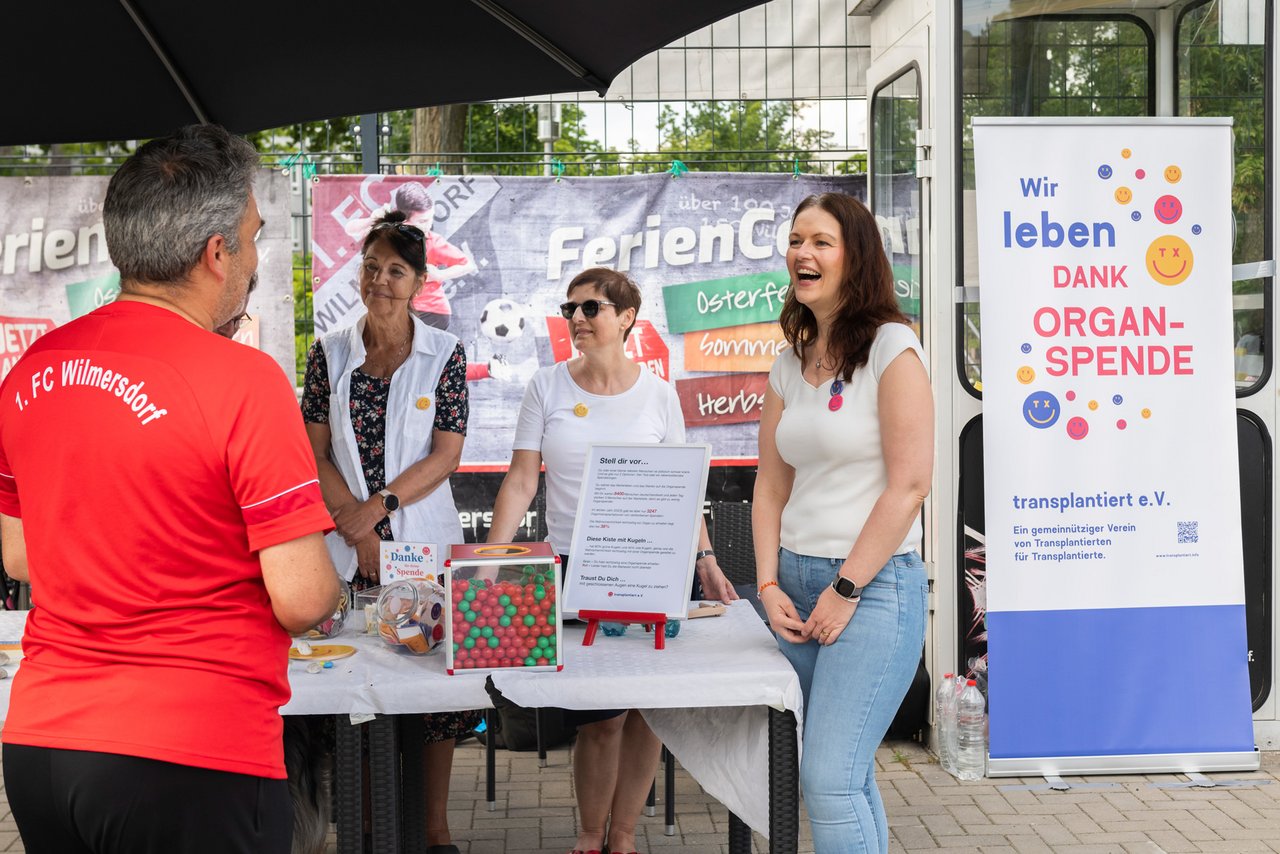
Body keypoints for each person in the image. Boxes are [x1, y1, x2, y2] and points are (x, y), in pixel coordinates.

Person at [0, 124, 342, 854]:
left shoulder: (33, 370)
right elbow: (305, 598)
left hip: (42, 746)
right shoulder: (244, 382)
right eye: (252, 239)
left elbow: (23, 559)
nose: (254, 261)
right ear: (216, 254)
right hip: (191, 752)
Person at [486, 267, 737, 854]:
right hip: (573, 567)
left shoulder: (658, 394)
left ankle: (623, 837)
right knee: (599, 715)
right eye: (569, 308)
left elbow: (681, 487)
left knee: (646, 710)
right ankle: (589, 836)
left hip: (652, 562)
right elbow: (522, 482)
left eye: (591, 307)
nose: (577, 318)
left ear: (627, 319)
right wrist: (491, 563)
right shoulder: (546, 387)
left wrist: (703, 558)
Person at [753, 193, 932, 853]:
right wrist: (769, 586)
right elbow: (770, 485)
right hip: (797, 588)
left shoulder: (893, 346)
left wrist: (846, 589)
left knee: (827, 779)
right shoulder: (790, 358)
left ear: (855, 257)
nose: (803, 253)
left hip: (871, 590)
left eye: (821, 241)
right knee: (845, 780)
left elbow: (911, 483)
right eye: (797, 239)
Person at [302, 209, 476, 854]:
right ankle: (368, 824)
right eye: (370, 267)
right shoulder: (329, 352)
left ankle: (433, 830)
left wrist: (375, 511)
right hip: (343, 545)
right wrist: (357, 525)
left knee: (429, 686)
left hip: (418, 542)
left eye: (395, 271)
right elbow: (313, 451)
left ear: (420, 281)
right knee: (356, 681)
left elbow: (446, 454)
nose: (379, 281)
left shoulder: (446, 353)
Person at [343, 181, 476, 330]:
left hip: (430, 311)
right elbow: (350, 229)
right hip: (399, 308)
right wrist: (373, 220)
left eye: (431, 218)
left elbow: (468, 265)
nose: (428, 225)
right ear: (404, 220)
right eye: (422, 221)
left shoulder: (432, 241)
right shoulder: (388, 238)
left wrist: (439, 274)